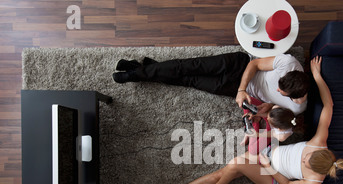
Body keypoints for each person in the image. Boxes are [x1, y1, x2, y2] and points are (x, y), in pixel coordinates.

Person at [154, 56, 343, 184]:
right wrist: (316, 75)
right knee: (223, 172)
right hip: (269, 152)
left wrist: (268, 165)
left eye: (305, 163)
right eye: (306, 156)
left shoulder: (315, 181)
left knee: (236, 164)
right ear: (318, 151)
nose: (303, 159)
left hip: (271, 175)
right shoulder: (319, 142)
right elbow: (329, 105)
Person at [113, 52, 309, 115]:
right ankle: (136, 73)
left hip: (236, 89)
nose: (276, 89)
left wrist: (260, 111)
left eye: (280, 91)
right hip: (240, 66)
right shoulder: (289, 64)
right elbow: (255, 63)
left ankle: (142, 68)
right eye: (279, 84)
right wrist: (242, 89)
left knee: (190, 80)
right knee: (188, 67)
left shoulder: (295, 108)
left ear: (293, 97)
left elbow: (272, 106)